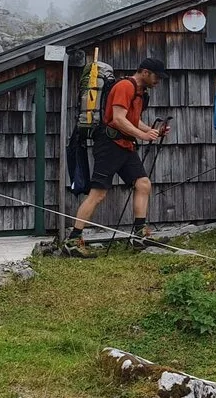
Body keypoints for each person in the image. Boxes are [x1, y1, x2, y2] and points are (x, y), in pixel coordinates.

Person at [64, 57, 169, 257]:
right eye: (157, 76)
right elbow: (118, 119)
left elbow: (133, 121)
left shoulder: (141, 93)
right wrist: (144, 136)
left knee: (143, 184)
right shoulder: (125, 87)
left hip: (125, 145)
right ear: (145, 72)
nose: (158, 81)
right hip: (109, 144)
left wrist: (154, 132)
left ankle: (140, 235)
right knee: (98, 193)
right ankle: (72, 241)